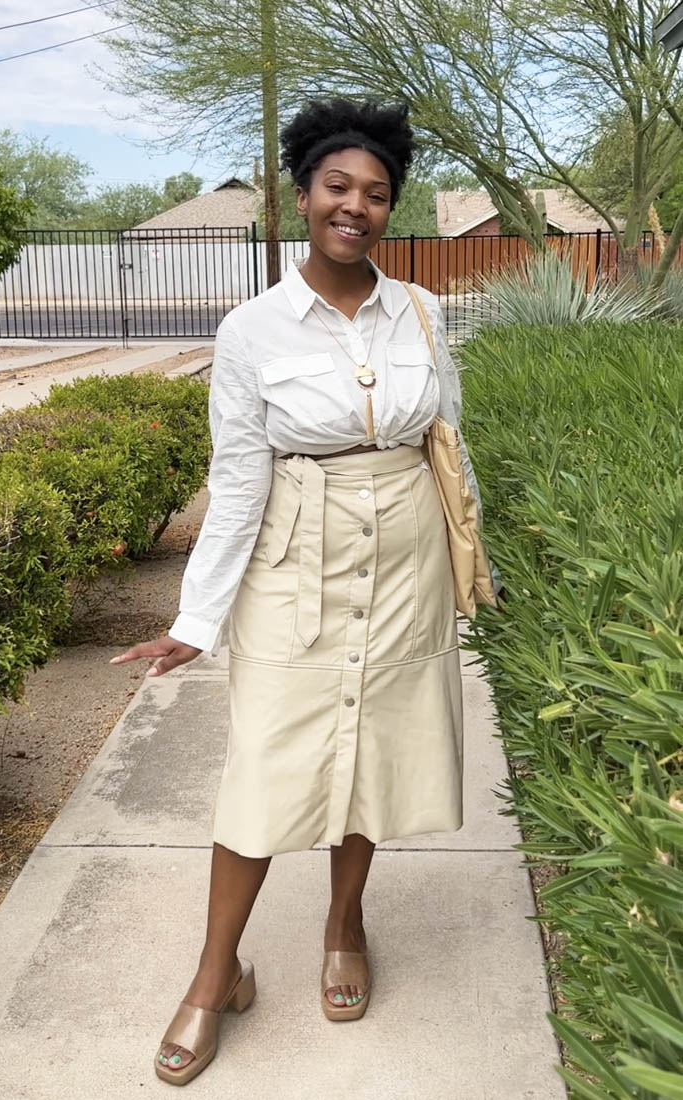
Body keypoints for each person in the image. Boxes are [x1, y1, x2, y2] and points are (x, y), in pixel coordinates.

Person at [110, 95, 502, 1086]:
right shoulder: (250, 331)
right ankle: (214, 974)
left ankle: (343, 920)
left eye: (376, 193)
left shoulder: (418, 310)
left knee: (372, 748)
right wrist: (196, 618)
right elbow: (237, 477)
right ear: (302, 196)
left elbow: (446, 445)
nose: (356, 206)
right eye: (339, 186)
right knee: (266, 766)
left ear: (389, 209)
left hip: (405, 553)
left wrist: (472, 564)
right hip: (297, 556)